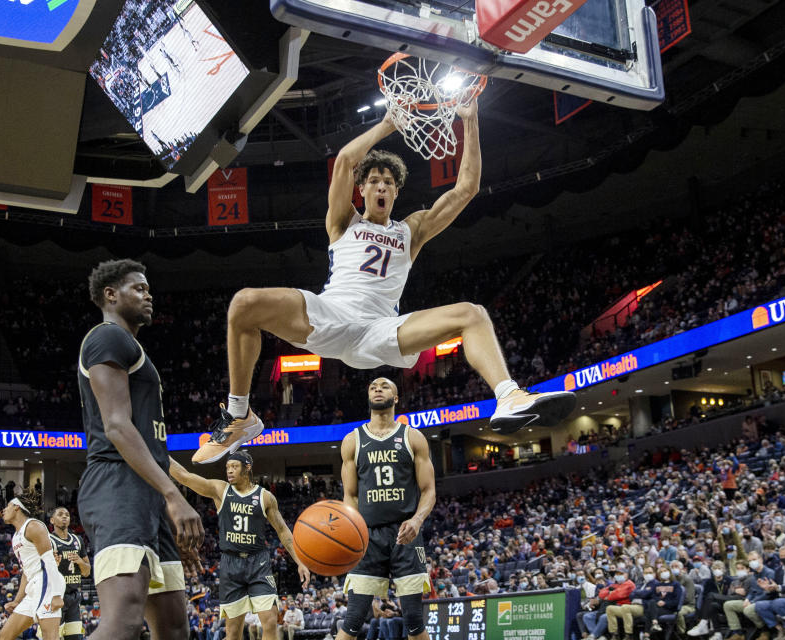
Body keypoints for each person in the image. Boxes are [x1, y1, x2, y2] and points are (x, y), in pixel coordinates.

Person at [192, 100, 576, 464]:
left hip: (381, 328)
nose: (380, 186)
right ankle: (240, 415)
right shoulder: (344, 222)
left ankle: (508, 396)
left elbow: (466, 189)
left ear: (396, 192)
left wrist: (469, 120)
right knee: (243, 304)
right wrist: (387, 125)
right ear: (361, 190)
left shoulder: (412, 230)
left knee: (472, 314)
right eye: (373, 180)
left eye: (388, 182)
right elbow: (344, 160)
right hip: (331, 314)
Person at [76, 259, 204, 640]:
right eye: (139, 288)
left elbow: (151, 445)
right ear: (110, 295)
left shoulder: (131, 347)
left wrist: (167, 503)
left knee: (174, 626)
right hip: (117, 484)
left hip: (147, 496)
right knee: (124, 620)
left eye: (149, 289)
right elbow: (116, 426)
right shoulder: (106, 337)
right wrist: (172, 494)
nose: (148, 295)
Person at [168, 452, 310, 640]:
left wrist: (300, 561)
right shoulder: (220, 489)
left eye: (234, 466)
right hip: (230, 564)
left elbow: (283, 531)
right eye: (227, 468)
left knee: (269, 621)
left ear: (247, 467)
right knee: (233, 632)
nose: (229, 471)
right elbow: (185, 476)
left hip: (258, 563)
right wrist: (158, 448)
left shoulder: (265, 497)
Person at [335, 378, 436, 640]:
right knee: (354, 618)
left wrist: (417, 520)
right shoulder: (352, 441)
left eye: (385, 385)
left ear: (397, 397)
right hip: (368, 536)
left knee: (414, 619)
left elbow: (428, 491)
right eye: (372, 386)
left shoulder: (413, 437)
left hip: (407, 535)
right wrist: (354, 530)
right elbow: (350, 495)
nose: (378, 389)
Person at [0, 493, 66, 640]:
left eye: (7, 506)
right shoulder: (16, 536)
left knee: (50, 637)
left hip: (47, 583)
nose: (3, 510)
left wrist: (56, 594)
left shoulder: (33, 526)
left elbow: (50, 562)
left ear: (16, 507)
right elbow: (26, 572)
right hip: (33, 586)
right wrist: (17, 601)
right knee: (4, 636)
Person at [48, 507, 90, 640]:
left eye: (67, 514)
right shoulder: (48, 540)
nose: (65, 516)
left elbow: (87, 572)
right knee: (52, 637)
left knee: (75, 637)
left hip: (73, 597)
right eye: (60, 514)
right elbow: (41, 572)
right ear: (52, 520)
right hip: (55, 597)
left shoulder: (78, 540)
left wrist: (80, 562)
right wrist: (53, 565)